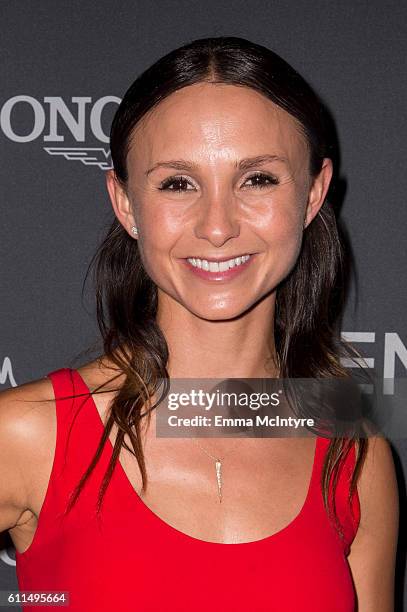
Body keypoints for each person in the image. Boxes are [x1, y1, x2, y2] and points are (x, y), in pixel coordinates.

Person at [0, 36, 399, 611]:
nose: (217, 226)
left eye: (257, 179)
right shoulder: (31, 434)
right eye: (177, 183)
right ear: (126, 203)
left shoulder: (352, 451)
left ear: (313, 192)